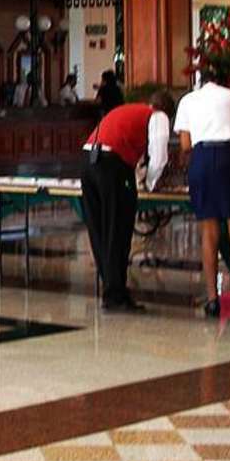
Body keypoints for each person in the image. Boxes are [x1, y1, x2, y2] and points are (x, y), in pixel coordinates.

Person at [81, 89, 175, 313]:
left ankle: (111, 289)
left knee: (100, 230)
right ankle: (115, 295)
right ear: (167, 112)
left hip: (88, 161)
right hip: (111, 165)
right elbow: (159, 157)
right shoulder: (158, 116)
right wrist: (150, 183)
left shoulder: (129, 111)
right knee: (118, 228)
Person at [175, 70, 230, 320]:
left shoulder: (188, 100)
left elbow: (185, 145)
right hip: (227, 157)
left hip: (201, 160)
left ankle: (212, 300)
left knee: (208, 233)